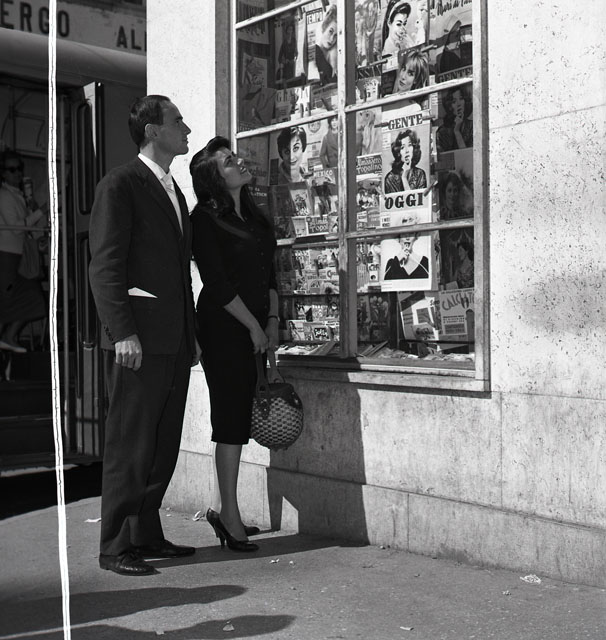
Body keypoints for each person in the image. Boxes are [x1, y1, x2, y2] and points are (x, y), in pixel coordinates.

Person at [88, 95, 197, 576]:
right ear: (153, 131)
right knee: (130, 445)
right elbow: (105, 266)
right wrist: (122, 333)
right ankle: (115, 546)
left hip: (175, 339)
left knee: (162, 444)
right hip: (137, 341)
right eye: (178, 121)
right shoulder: (120, 184)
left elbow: (178, 272)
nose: (186, 128)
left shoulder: (175, 191)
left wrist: (191, 333)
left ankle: (145, 535)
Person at [189, 136, 279, 552]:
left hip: (256, 326)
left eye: (235, 157)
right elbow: (217, 284)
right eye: (229, 161)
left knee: (239, 417)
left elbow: (270, 273)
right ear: (214, 178)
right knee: (230, 421)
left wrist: (271, 322)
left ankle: (224, 511)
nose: (240, 162)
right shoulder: (204, 220)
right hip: (224, 329)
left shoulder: (256, 217)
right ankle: (229, 514)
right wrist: (254, 328)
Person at [0, 149, 46, 354]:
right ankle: (8, 338)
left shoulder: (17, 196)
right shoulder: (4, 196)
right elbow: (17, 227)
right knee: (9, 301)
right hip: (6, 256)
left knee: (29, 297)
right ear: (3, 173)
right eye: (12, 169)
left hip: (18, 257)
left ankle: (9, 337)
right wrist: (41, 211)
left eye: (19, 168)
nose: (17, 173)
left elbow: (27, 227)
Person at [384, 129, 427, 193]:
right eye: (402, 147)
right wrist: (404, 176)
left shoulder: (420, 173)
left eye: (409, 145)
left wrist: (404, 178)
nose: (407, 151)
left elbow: (419, 198)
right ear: (398, 152)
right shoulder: (390, 178)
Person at [436, 85, 473, 152]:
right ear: (449, 106)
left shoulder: (472, 126)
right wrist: (456, 130)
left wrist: (457, 131)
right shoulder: (442, 131)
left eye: (461, 99)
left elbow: (468, 154)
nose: (458, 104)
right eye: (454, 101)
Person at [314, 4, 338, 85]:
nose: (332, 39)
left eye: (335, 36)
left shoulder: (334, 54)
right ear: (325, 27)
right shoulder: (316, 51)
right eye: (330, 32)